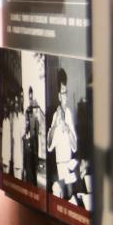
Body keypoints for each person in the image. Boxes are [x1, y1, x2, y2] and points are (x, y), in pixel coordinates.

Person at [48, 68, 79, 201]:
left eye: (66, 93)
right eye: (63, 93)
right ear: (59, 96)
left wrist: (68, 129)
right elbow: (49, 145)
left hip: (69, 166)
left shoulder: (69, 114)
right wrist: (55, 125)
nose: (65, 97)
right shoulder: (55, 116)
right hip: (59, 168)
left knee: (71, 197)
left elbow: (75, 146)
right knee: (59, 196)